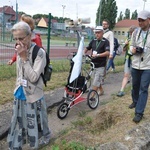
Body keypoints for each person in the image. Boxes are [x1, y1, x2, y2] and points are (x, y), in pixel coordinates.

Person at [7, 21, 51, 149]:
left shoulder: (39, 52)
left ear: (30, 35)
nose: (18, 42)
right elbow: (19, 73)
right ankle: (18, 142)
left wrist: (24, 58)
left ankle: (44, 137)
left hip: (34, 93)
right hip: (20, 91)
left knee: (38, 120)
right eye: (15, 39)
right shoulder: (20, 49)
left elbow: (34, 77)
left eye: (21, 38)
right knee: (19, 119)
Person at [129, 10, 150, 123]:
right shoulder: (135, 33)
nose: (140, 22)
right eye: (139, 20)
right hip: (136, 64)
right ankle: (135, 101)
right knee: (135, 85)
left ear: (149, 20)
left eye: (142, 20)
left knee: (143, 88)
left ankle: (139, 112)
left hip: (147, 66)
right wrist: (132, 49)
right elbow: (131, 45)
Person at [84, 26, 110, 95]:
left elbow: (107, 52)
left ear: (102, 33)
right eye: (96, 33)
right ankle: (101, 91)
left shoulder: (105, 42)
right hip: (93, 64)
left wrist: (98, 55)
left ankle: (91, 97)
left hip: (101, 65)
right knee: (96, 80)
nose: (97, 34)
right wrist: (83, 53)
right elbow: (87, 48)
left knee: (95, 82)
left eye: (98, 33)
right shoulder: (93, 40)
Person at [117, 25, 137, 97]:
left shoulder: (139, 40)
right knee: (126, 75)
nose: (131, 34)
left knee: (134, 76)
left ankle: (133, 90)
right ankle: (122, 90)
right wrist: (125, 45)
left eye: (133, 32)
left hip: (136, 60)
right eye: (131, 33)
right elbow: (124, 50)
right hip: (128, 59)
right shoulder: (128, 39)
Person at [102, 19, 114, 84]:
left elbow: (111, 43)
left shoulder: (110, 33)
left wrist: (111, 53)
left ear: (108, 25)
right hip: (99, 51)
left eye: (105, 24)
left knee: (103, 65)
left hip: (105, 51)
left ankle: (102, 78)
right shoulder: (100, 31)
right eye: (103, 24)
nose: (104, 25)